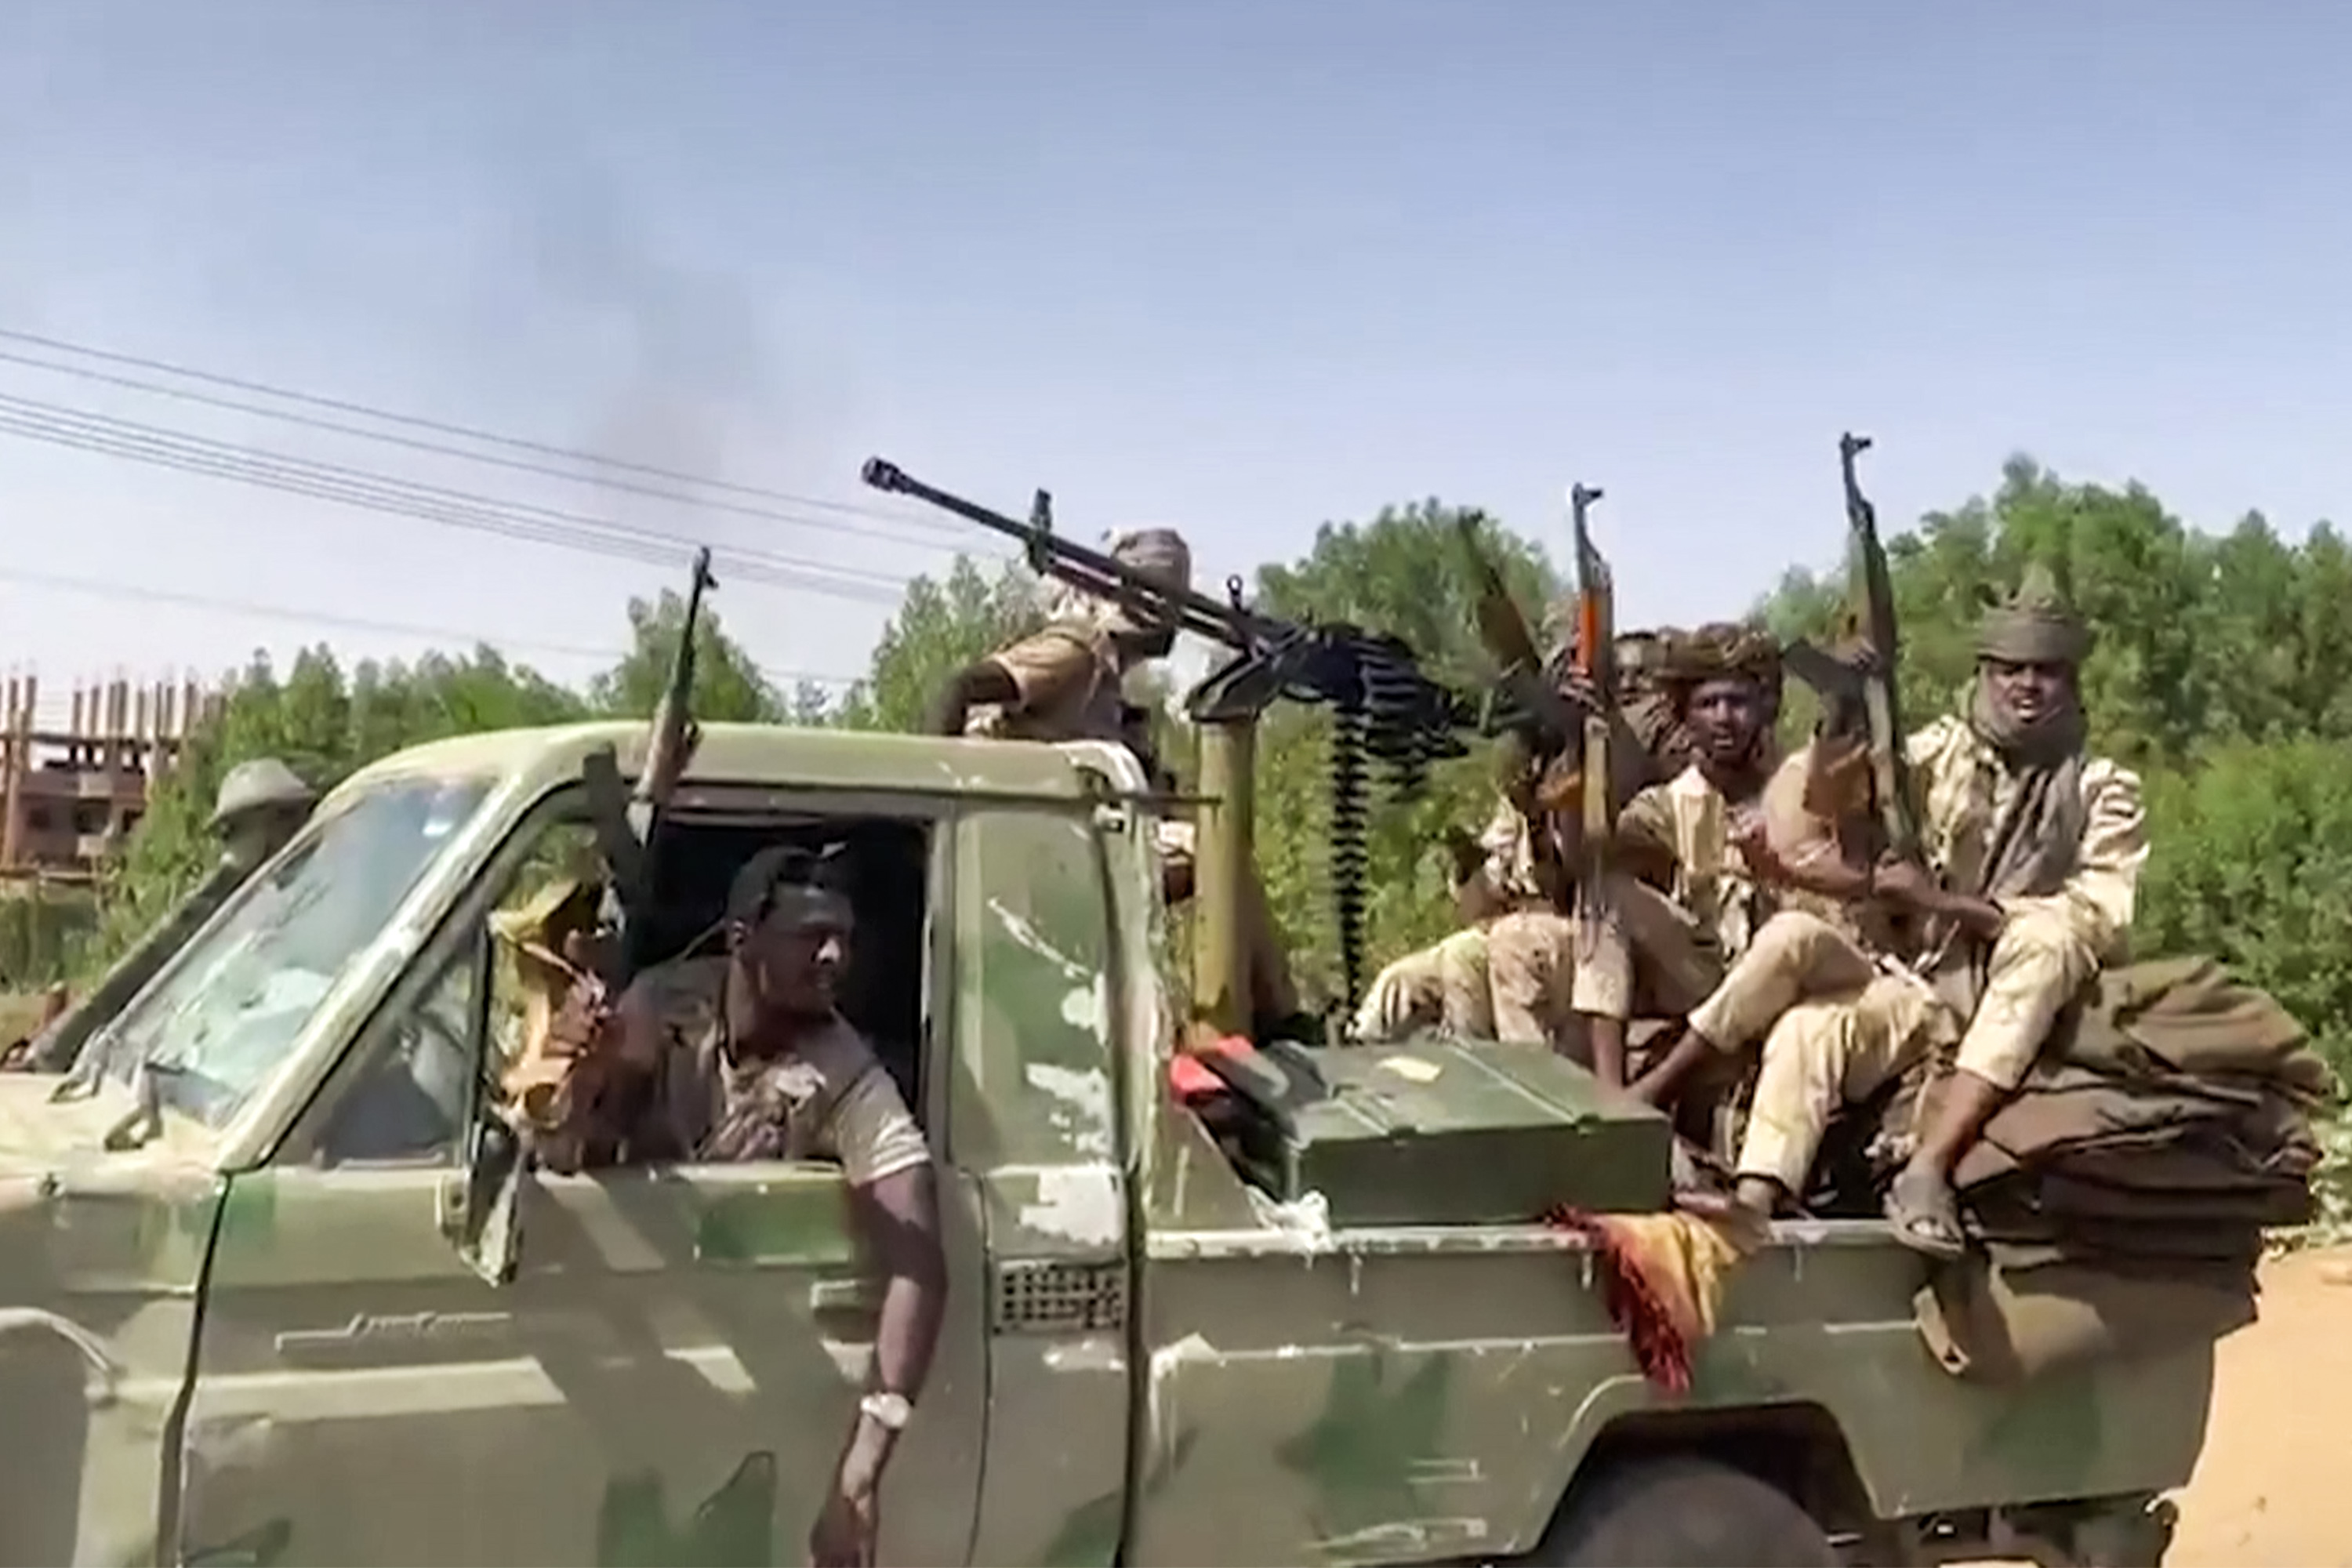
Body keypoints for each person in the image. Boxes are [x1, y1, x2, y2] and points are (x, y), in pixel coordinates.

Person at [525, 843, 946, 1568]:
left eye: (843, 936)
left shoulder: (843, 1068)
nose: (833, 957)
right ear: (742, 941)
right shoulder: (661, 1007)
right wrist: (583, 1081)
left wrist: (864, 1464)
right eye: (810, 935)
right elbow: (579, 1154)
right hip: (620, 1326)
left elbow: (918, 1259)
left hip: (748, 1351)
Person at [934, 530, 1308, 1036]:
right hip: (1041, 848)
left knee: (1212, 838)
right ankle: (1275, 1020)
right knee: (1214, 855)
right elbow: (961, 686)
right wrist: (930, 807)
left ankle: (1245, 1015)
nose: (1176, 617)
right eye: (1169, 597)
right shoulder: (1076, 651)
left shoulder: (1111, 684)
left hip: (1077, 845)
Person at [1875, 566, 2146, 1256]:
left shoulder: (2101, 786)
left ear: (2070, 682)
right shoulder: (1939, 753)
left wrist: (1946, 903)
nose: (2027, 685)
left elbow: (2100, 913)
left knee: (2047, 937)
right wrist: (1850, 708)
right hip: (1915, 970)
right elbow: (1844, 797)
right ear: (1985, 675)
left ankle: (1929, 1166)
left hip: (2023, 982)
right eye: (2010, 670)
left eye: (2046, 671)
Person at [16, 756, 316, 1072]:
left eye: (239, 832)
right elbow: (151, 963)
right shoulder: (233, 912)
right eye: (230, 833)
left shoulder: (325, 893)